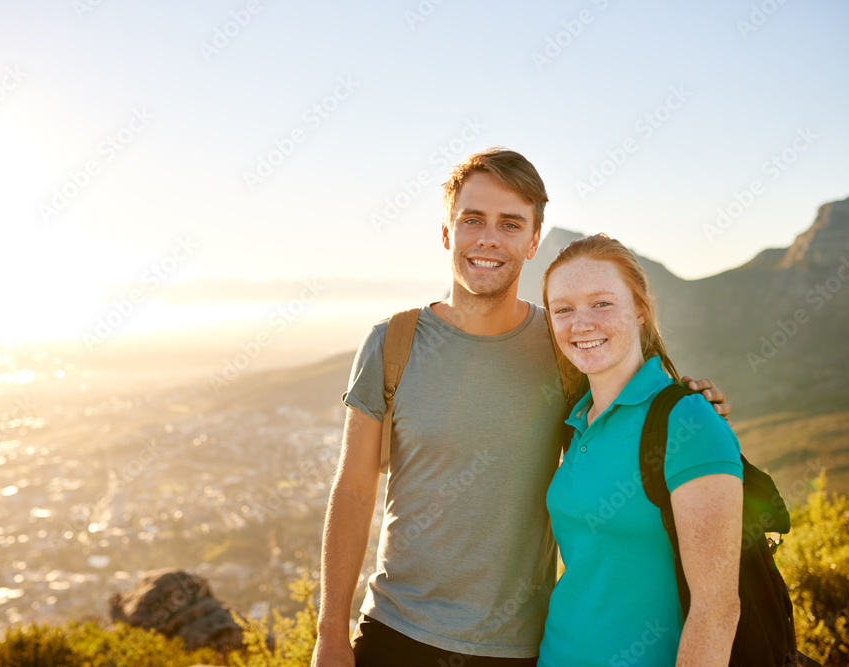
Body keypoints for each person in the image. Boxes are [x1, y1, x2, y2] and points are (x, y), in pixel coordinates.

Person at [311, 148, 731, 667]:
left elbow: (627, 407)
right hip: (395, 632)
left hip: (520, 647)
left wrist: (688, 402)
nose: (488, 238)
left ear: (533, 241)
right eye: (472, 220)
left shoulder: (563, 347)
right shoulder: (391, 343)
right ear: (447, 232)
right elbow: (353, 490)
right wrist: (330, 632)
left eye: (510, 223)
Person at [537, 234, 743, 666]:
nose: (581, 323)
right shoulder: (575, 421)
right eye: (563, 309)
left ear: (641, 311)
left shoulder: (689, 421)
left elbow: (717, 611)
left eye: (601, 303)